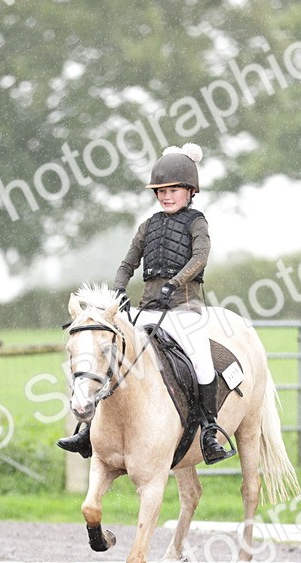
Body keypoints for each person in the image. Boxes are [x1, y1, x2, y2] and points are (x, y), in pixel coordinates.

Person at [58, 142, 232, 465]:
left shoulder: (197, 223)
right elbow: (128, 263)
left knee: (202, 361)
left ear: (190, 191)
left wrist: (175, 284)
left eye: (173, 190)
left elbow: (200, 257)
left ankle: (209, 431)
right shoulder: (148, 226)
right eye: (160, 191)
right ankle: (88, 427)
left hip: (185, 310)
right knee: (110, 357)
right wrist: (118, 290)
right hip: (145, 309)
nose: (165, 196)